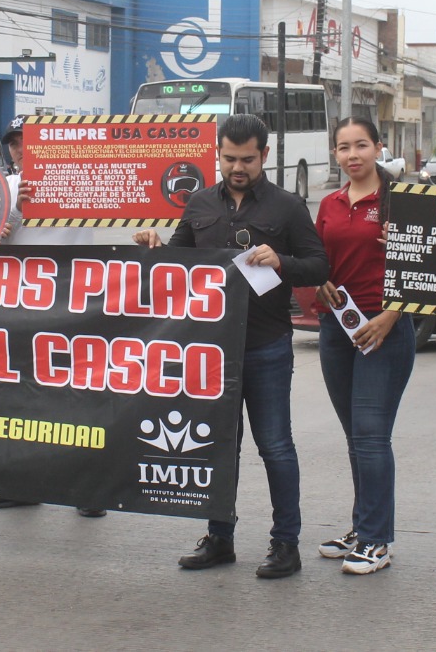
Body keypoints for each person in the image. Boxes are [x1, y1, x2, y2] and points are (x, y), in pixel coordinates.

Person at [134, 113, 329, 579]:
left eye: (247, 159)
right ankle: (219, 536)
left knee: (276, 447)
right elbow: (177, 267)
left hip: (266, 346)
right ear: (216, 155)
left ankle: (286, 544)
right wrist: (153, 246)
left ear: (264, 155)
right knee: (219, 447)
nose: (237, 167)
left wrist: (281, 261)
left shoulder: (287, 206)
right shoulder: (199, 203)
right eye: (228, 158)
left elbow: (318, 265)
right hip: (212, 351)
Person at [0, 115, 107, 519]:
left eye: (30, 140)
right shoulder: (0, 188)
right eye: (15, 142)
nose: (21, 148)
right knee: (20, 398)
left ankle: (89, 488)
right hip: (19, 308)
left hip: (73, 305)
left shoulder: (79, 180)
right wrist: (14, 210)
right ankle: (23, 483)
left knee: (77, 397)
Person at [312, 117, 415, 575]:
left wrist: (390, 317)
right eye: (342, 148)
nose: (352, 155)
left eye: (360, 146)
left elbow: (422, 268)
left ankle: (377, 540)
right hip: (338, 328)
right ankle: (363, 527)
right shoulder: (330, 204)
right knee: (356, 437)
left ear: (378, 148)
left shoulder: (401, 201)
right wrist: (320, 283)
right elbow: (316, 260)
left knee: (372, 435)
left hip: (384, 329)